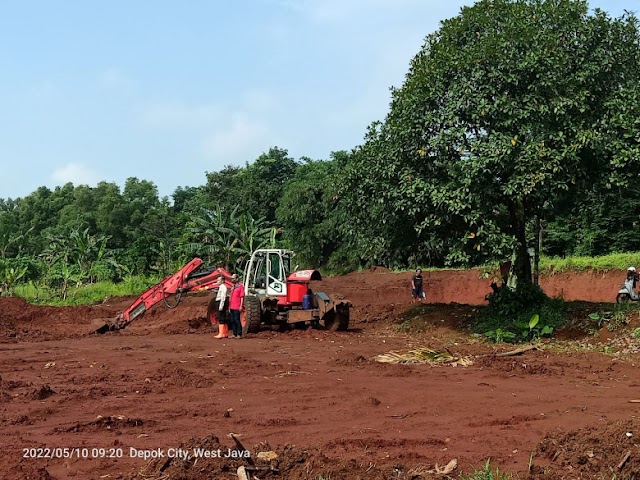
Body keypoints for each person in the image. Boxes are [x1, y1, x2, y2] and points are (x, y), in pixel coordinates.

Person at [228, 274, 245, 339]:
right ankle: (234, 334)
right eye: (231, 278)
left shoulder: (240, 287)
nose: (232, 280)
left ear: (237, 279)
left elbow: (242, 297)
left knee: (237, 320)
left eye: (233, 278)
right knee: (232, 320)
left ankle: (239, 334)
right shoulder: (233, 287)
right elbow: (230, 297)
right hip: (232, 306)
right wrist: (229, 307)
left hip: (237, 306)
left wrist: (241, 305)